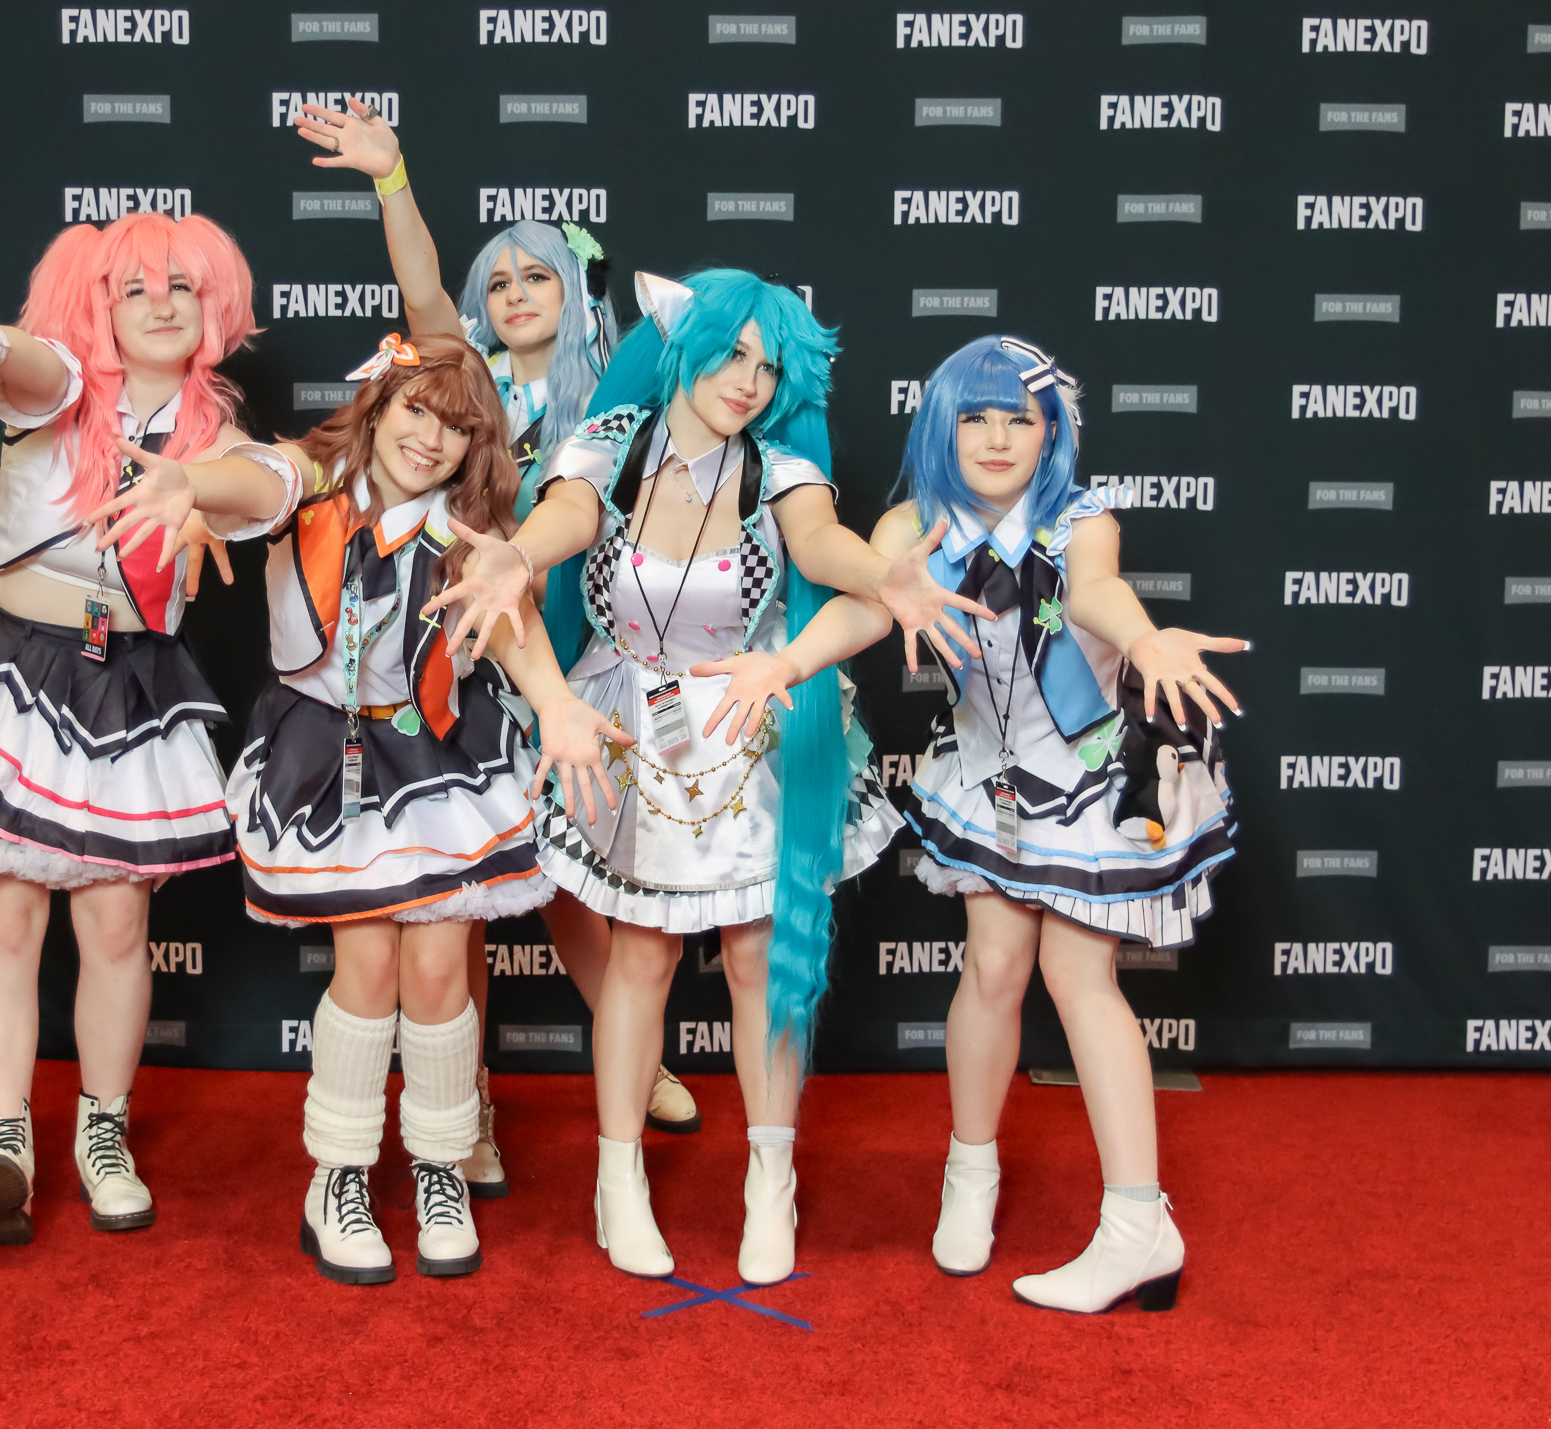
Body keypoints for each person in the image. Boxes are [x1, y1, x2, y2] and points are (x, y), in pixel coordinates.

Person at [427, 270, 989, 1284]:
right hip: (632, 728)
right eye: (732, 353)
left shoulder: (779, 466)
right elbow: (564, 515)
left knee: (757, 964)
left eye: (767, 366)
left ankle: (766, 1184)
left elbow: (820, 542)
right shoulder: (609, 443)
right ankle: (618, 1183)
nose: (748, 379)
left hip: (742, 722)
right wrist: (511, 557)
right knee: (635, 962)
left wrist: (880, 574)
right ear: (685, 346)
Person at [90, 330, 629, 1284]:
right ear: (379, 406)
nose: (430, 438)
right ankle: (336, 1175)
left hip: (432, 750)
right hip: (319, 746)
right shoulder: (315, 482)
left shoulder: (467, 528)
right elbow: (256, 478)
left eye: (457, 427)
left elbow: (511, 625)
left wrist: (556, 705)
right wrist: (193, 485)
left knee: (436, 966)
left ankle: (439, 1166)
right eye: (415, 409)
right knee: (369, 958)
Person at [721, 335, 1245, 1312]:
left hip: (1092, 780)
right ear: (940, 425)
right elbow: (871, 609)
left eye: (1020, 417)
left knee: (1074, 975)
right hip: (994, 786)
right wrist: (785, 664)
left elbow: (1094, 590)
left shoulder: (1078, 519)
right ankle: (971, 1172)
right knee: (992, 970)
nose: (998, 436)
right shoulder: (914, 524)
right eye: (975, 416)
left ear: (1051, 431)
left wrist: (1141, 637)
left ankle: (1138, 1224)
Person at [293, 98, 700, 1195]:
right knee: (452, 902)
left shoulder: (616, 389)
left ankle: (637, 1051)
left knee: (573, 888)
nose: (515, 296)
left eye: (538, 279)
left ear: (576, 295)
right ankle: (460, 1115)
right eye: (500, 282)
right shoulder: (456, 383)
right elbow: (421, 289)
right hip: (459, 658)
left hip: (571, 648)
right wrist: (392, 180)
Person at [0, 211, 264, 1246]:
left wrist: (222, 483)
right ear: (100, 305)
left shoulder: (215, 431)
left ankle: (103, 1131)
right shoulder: (67, 388)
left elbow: (265, 489)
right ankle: (1, 1137)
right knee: (2, 916)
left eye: (181, 284)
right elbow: (36, 372)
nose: (162, 304)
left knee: (119, 925)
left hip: (129, 678)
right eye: (134, 290)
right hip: (12, 669)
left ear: (213, 299)